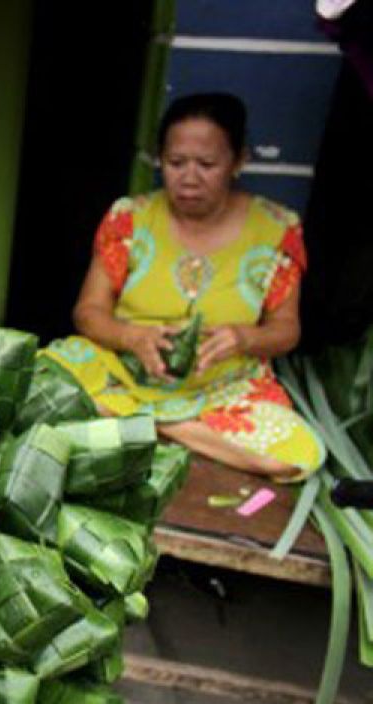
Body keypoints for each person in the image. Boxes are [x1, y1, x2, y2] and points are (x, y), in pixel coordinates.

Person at [43, 92, 325, 481]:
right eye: (176, 163)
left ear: (239, 161)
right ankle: (159, 422)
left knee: (294, 457)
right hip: (123, 373)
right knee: (39, 382)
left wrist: (243, 339)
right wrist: (131, 337)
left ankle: (153, 425)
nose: (189, 177)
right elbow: (88, 312)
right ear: (160, 159)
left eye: (207, 164)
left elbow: (286, 329)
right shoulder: (130, 216)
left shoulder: (277, 228)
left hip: (223, 388)